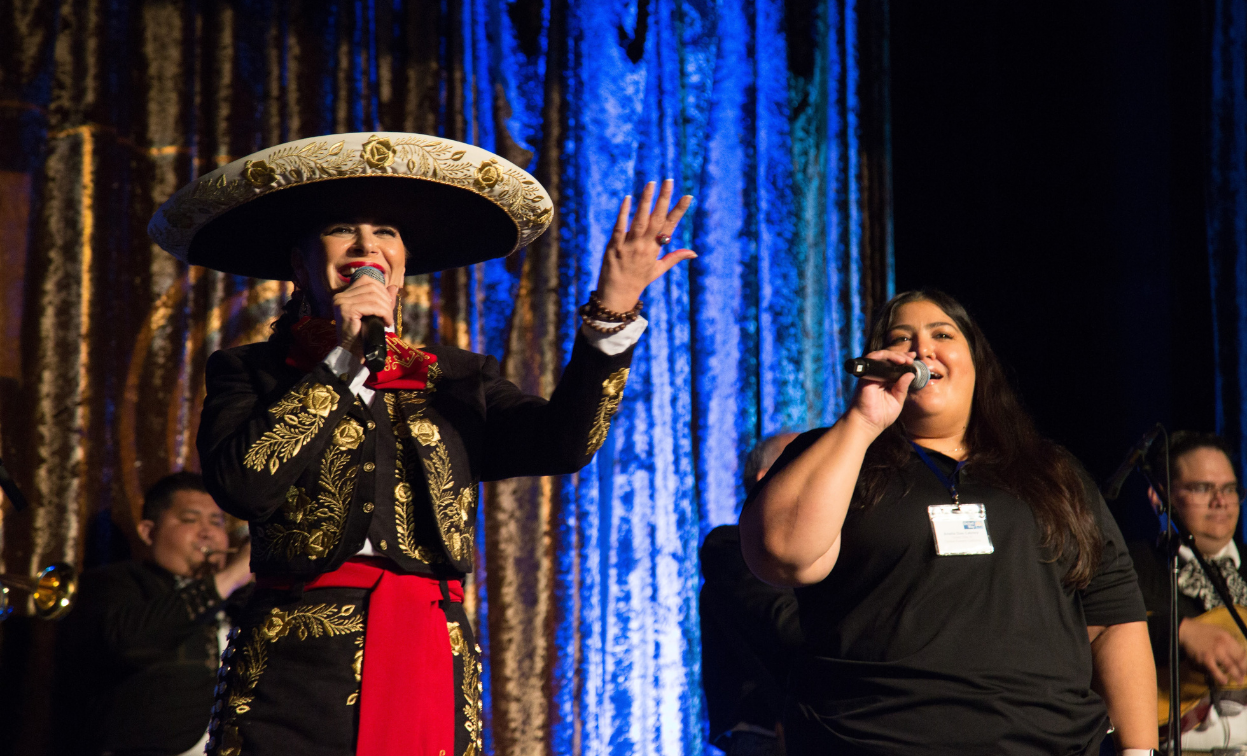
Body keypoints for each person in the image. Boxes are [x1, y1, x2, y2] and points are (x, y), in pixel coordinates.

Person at [147, 132, 695, 756]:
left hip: (428, 652)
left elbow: (564, 444)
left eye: (385, 232)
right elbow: (244, 485)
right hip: (292, 669)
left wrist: (612, 313)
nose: (366, 246)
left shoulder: (459, 378)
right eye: (341, 230)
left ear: (402, 264)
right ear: (300, 266)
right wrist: (341, 360)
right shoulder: (251, 371)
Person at [739, 289, 1157, 755]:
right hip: (874, 740)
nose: (921, 349)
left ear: (977, 361)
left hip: (1047, 742)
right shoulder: (836, 455)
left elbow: (1112, 617)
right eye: (902, 338)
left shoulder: (1050, 471)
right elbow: (782, 555)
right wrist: (863, 420)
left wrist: (1139, 751)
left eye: (942, 334)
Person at [54, 472, 254, 756]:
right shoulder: (115, 582)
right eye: (190, 519)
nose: (208, 532)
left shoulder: (238, 596)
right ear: (148, 531)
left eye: (216, 522)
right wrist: (230, 576)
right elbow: (128, 642)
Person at [1129, 431, 1247, 748]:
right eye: (1201, 489)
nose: (1220, 502)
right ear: (1160, 497)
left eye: (1230, 489)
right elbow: (1091, 636)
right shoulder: (1127, 568)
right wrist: (1179, 632)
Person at [701, 432, 802, 756]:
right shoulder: (731, 550)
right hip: (768, 736)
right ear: (766, 480)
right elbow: (788, 628)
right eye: (807, 461)